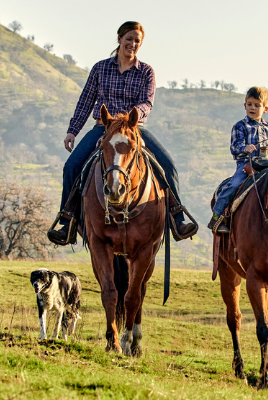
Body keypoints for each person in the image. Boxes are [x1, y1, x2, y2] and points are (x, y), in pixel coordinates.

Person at [47, 21, 199, 245]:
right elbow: (86, 101)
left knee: (168, 165)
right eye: (129, 39)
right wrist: (73, 131)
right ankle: (67, 220)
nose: (133, 44)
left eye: (137, 41)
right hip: (104, 127)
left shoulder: (146, 71)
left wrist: (132, 116)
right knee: (71, 166)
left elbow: (147, 102)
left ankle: (177, 218)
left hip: (133, 128)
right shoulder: (100, 68)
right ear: (119, 39)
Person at [209, 87, 268, 234]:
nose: (252, 108)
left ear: (265, 108)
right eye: (249, 104)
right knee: (234, 184)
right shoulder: (240, 126)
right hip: (247, 165)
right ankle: (217, 215)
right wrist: (244, 148)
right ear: (245, 106)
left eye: (257, 105)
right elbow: (234, 147)